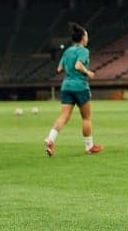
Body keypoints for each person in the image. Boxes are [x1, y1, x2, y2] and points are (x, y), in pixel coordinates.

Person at [44, 23, 103, 156]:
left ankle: (50, 139)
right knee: (86, 117)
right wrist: (88, 73)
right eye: (86, 36)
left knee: (63, 116)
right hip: (80, 86)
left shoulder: (67, 51)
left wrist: (69, 69)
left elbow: (59, 69)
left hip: (66, 86)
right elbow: (78, 65)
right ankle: (89, 147)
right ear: (83, 38)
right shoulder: (83, 50)